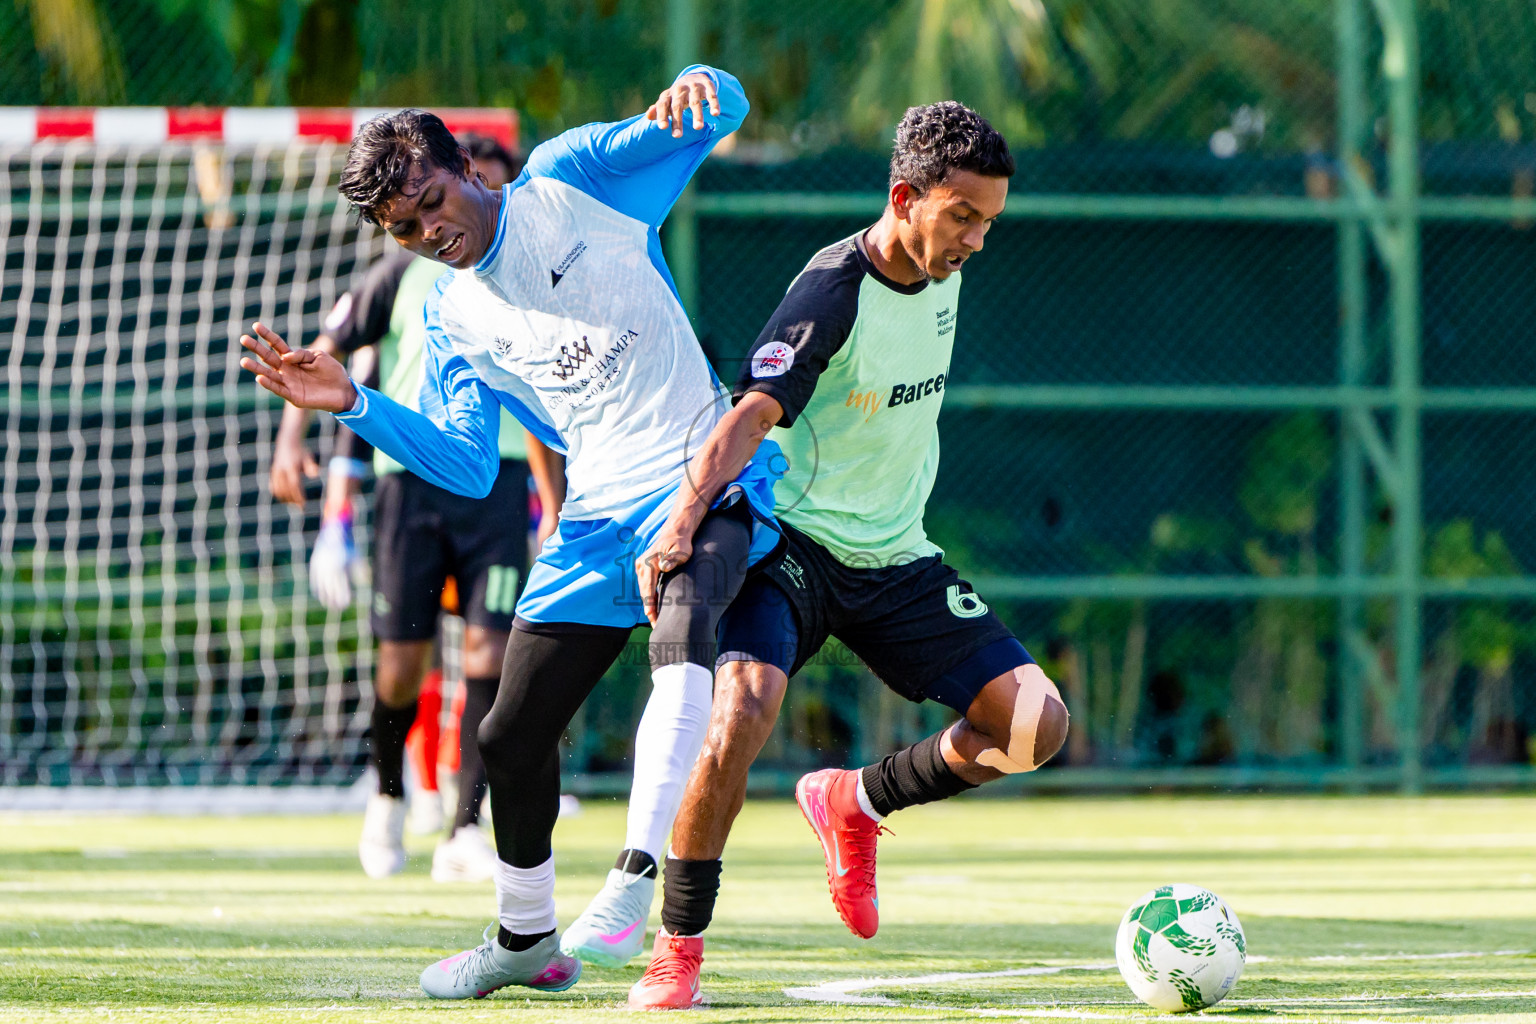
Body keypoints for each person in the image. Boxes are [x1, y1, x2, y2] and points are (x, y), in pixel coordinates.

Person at [238, 65, 784, 1000]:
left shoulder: (574, 178)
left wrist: (704, 82)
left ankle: (631, 881)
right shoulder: (450, 316)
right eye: (403, 230)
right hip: (595, 518)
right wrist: (356, 403)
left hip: (702, 472)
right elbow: (458, 459)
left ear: (467, 167)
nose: (428, 235)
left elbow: (719, 113)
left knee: (683, 638)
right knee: (506, 740)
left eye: (431, 204)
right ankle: (525, 941)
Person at [620, 102, 1070, 1010]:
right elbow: (749, 412)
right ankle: (676, 948)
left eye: (990, 220)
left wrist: (960, 233)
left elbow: (947, 253)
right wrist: (683, 519)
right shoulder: (831, 289)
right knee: (740, 712)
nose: (978, 240)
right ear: (905, 198)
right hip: (797, 548)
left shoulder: (943, 261)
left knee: (1035, 729)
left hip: (897, 557)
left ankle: (854, 804)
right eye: (964, 218)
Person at [270, 138, 565, 883]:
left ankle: (467, 826)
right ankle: (389, 794)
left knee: (490, 656)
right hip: (410, 483)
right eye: (422, 212)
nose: (444, 225)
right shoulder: (399, 275)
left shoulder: (523, 276)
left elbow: (536, 409)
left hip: (494, 488)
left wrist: (553, 505)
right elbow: (327, 356)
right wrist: (292, 447)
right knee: (401, 667)